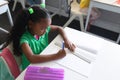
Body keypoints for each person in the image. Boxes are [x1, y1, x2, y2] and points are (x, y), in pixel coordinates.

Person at [1, 5, 75, 70]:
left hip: (43, 64)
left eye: (47, 27)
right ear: (30, 24)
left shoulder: (42, 30)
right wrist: (56, 56)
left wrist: (66, 40)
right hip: (31, 70)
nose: (46, 31)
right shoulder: (25, 40)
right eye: (42, 28)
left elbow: (60, 28)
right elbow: (32, 58)